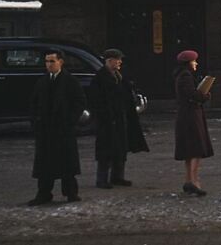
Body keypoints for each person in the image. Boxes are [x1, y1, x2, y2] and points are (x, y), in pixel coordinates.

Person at [28, 49, 87, 205]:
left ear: (61, 62)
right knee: (44, 164)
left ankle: (71, 193)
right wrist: (35, 121)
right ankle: (44, 194)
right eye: (47, 61)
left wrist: (70, 120)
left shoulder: (70, 81)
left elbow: (80, 102)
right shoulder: (42, 81)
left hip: (63, 129)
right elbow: (34, 102)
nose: (49, 64)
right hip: (46, 130)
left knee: (66, 163)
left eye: (52, 61)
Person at [90, 48, 149, 189]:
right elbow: (96, 100)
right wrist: (105, 116)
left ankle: (118, 176)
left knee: (121, 148)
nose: (120, 62)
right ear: (110, 61)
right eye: (118, 59)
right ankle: (102, 179)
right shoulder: (100, 78)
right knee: (106, 150)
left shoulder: (119, 77)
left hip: (121, 118)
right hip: (107, 121)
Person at [173, 50, 213, 196]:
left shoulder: (182, 75)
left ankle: (189, 180)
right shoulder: (186, 76)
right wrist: (205, 95)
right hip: (191, 116)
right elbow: (192, 94)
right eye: (194, 61)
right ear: (188, 63)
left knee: (190, 150)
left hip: (187, 114)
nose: (196, 63)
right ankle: (194, 181)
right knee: (196, 148)